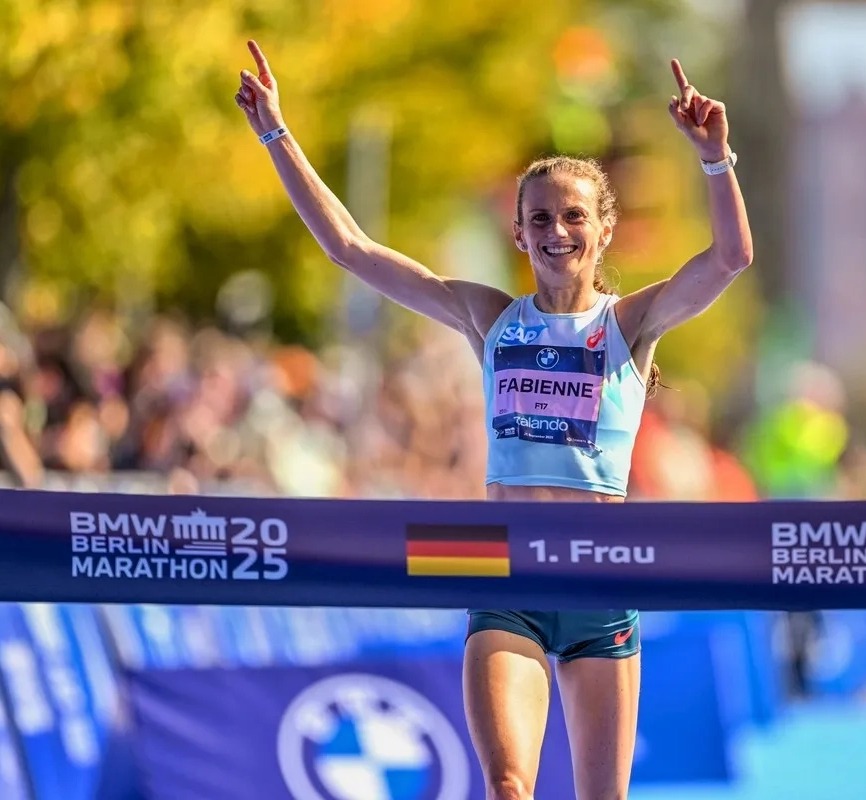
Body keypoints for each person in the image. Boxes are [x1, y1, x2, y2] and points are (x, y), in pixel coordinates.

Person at [235, 39, 752, 800]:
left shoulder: (631, 323)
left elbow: (730, 260)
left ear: (603, 230)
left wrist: (715, 159)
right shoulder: (489, 318)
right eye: (539, 218)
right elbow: (350, 249)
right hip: (503, 573)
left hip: (599, 583)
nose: (556, 231)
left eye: (574, 216)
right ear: (518, 234)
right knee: (509, 785)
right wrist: (277, 134)